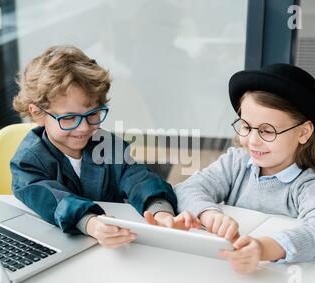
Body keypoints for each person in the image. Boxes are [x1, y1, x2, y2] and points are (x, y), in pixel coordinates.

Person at [11, 45, 195, 249]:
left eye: (92, 114)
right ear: (38, 113)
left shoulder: (107, 146)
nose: (83, 127)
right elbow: (52, 200)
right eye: (69, 117)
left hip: (115, 248)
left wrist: (160, 210)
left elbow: (139, 179)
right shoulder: (27, 162)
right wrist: (90, 223)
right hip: (60, 249)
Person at [174, 63, 315, 274]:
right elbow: (185, 189)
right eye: (246, 126)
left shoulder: (310, 184)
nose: (252, 141)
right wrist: (208, 213)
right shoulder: (236, 162)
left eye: (267, 131)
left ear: (303, 132)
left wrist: (265, 248)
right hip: (229, 272)